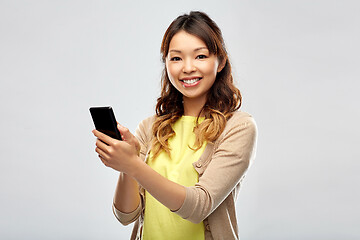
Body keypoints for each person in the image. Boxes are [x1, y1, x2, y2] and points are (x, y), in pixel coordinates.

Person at [92, 11, 257, 240]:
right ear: (166, 64)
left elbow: (199, 206)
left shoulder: (238, 127)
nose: (187, 68)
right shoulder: (150, 128)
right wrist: (126, 167)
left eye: (200, 56)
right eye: (176, 58)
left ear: (220, 62)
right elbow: (125, 216)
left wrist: (133, 165)